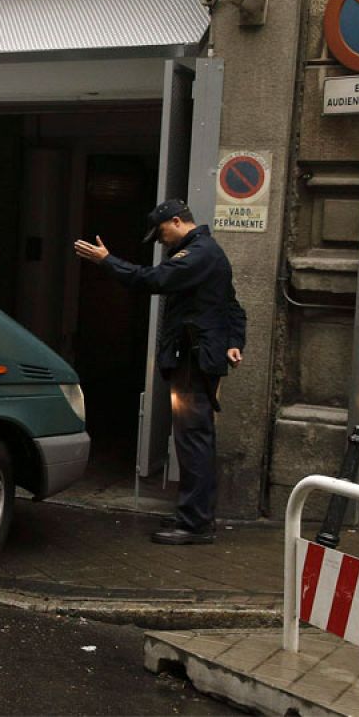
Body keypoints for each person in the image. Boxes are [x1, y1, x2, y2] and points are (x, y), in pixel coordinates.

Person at [73, 199, 246, 546]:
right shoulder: (207, 252)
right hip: (199, 357)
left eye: (162, 232)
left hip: (193, 361)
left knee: (193, 439)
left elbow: (152, 280)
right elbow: (232, 306)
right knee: (198, 438)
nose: (161, 240)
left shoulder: (198, 254)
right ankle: (196, 516)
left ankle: (195, 524)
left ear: (178, 222)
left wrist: (107, 262)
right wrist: (233, 341)